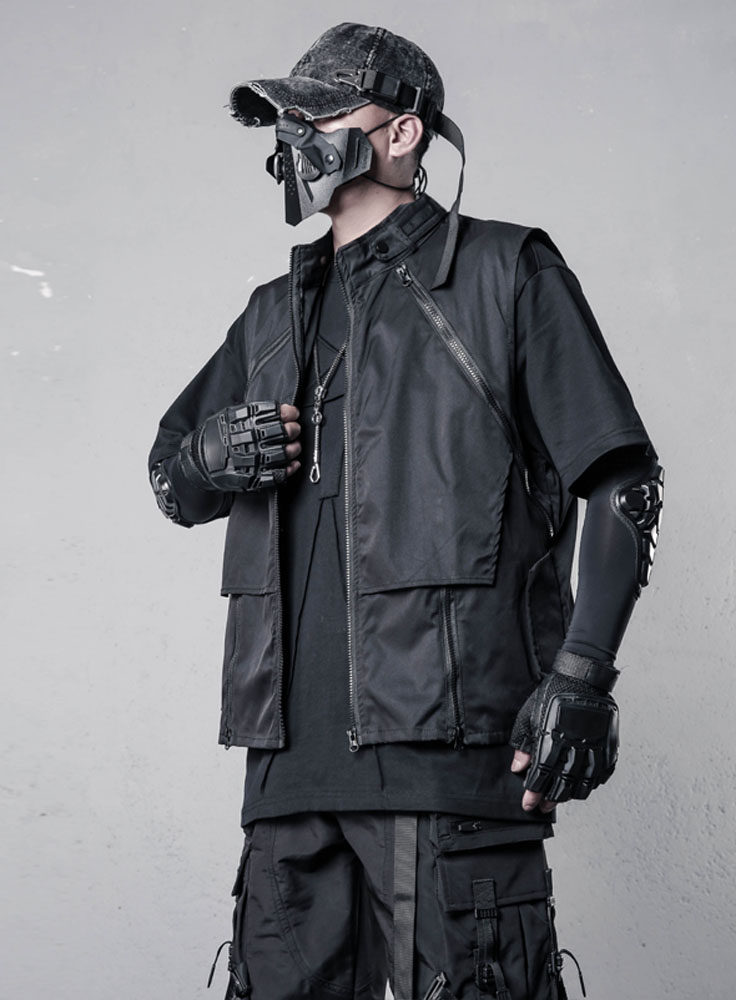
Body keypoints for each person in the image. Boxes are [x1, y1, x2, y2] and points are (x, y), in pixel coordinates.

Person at [148, 22, 663, 1000]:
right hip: (287, 785)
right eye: (287, 121)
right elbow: (172, 478)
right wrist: (211, 454)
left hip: (448, 773)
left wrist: (582, 677)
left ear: (401, 133)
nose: (296, 140)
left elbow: (621, 480)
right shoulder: (268, 316)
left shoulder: (505, 273)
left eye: (320, 116)